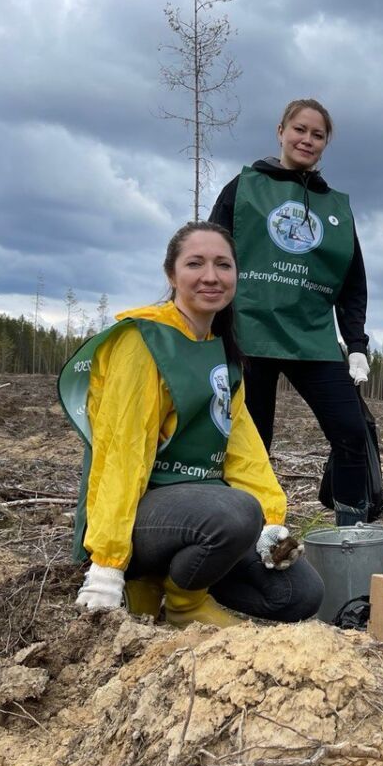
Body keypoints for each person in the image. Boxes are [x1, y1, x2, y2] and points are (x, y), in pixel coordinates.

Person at [58, 222, 324, 626]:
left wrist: (272, 522)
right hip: (144, 518)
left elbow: (241, 446)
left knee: (299, 593)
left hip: (201, 518)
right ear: (171, 274)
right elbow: (121, 450)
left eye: (223, 264)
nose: (211, 276)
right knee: (235, 512)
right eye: (195, 263)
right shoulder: (144, 341)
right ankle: (182, 602)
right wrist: (108, 563)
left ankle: (172, 580)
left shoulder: (221, 350)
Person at [209, 98, 373, 526]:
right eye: (300, 129)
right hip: (250, 336)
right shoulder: (243, 189)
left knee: (352, 433)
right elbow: (211, 255)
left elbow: (351, 281)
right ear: (280, 131)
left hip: (312, 338)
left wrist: (355, 344)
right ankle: (251, 536)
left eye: (318, 135)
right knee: (253, 444)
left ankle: (351, 535)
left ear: (325, 144)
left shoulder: (334, 208)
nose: (307, 140)